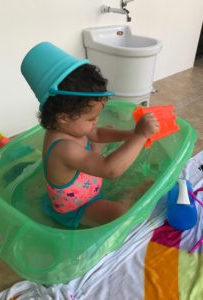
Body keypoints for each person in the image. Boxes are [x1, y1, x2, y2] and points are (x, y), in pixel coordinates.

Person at [21, 42, 159, 229]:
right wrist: (140, 136)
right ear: (63, 117)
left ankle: (97, 153)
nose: (95, 121)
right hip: (76, 207)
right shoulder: (64, 148)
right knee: (120, 215)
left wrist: (130, 134)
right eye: (91, 118)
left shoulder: (68, 126)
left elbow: (96, 132)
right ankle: (129, 194)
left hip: (85, 189)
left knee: (98, 138)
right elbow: (109, 170)